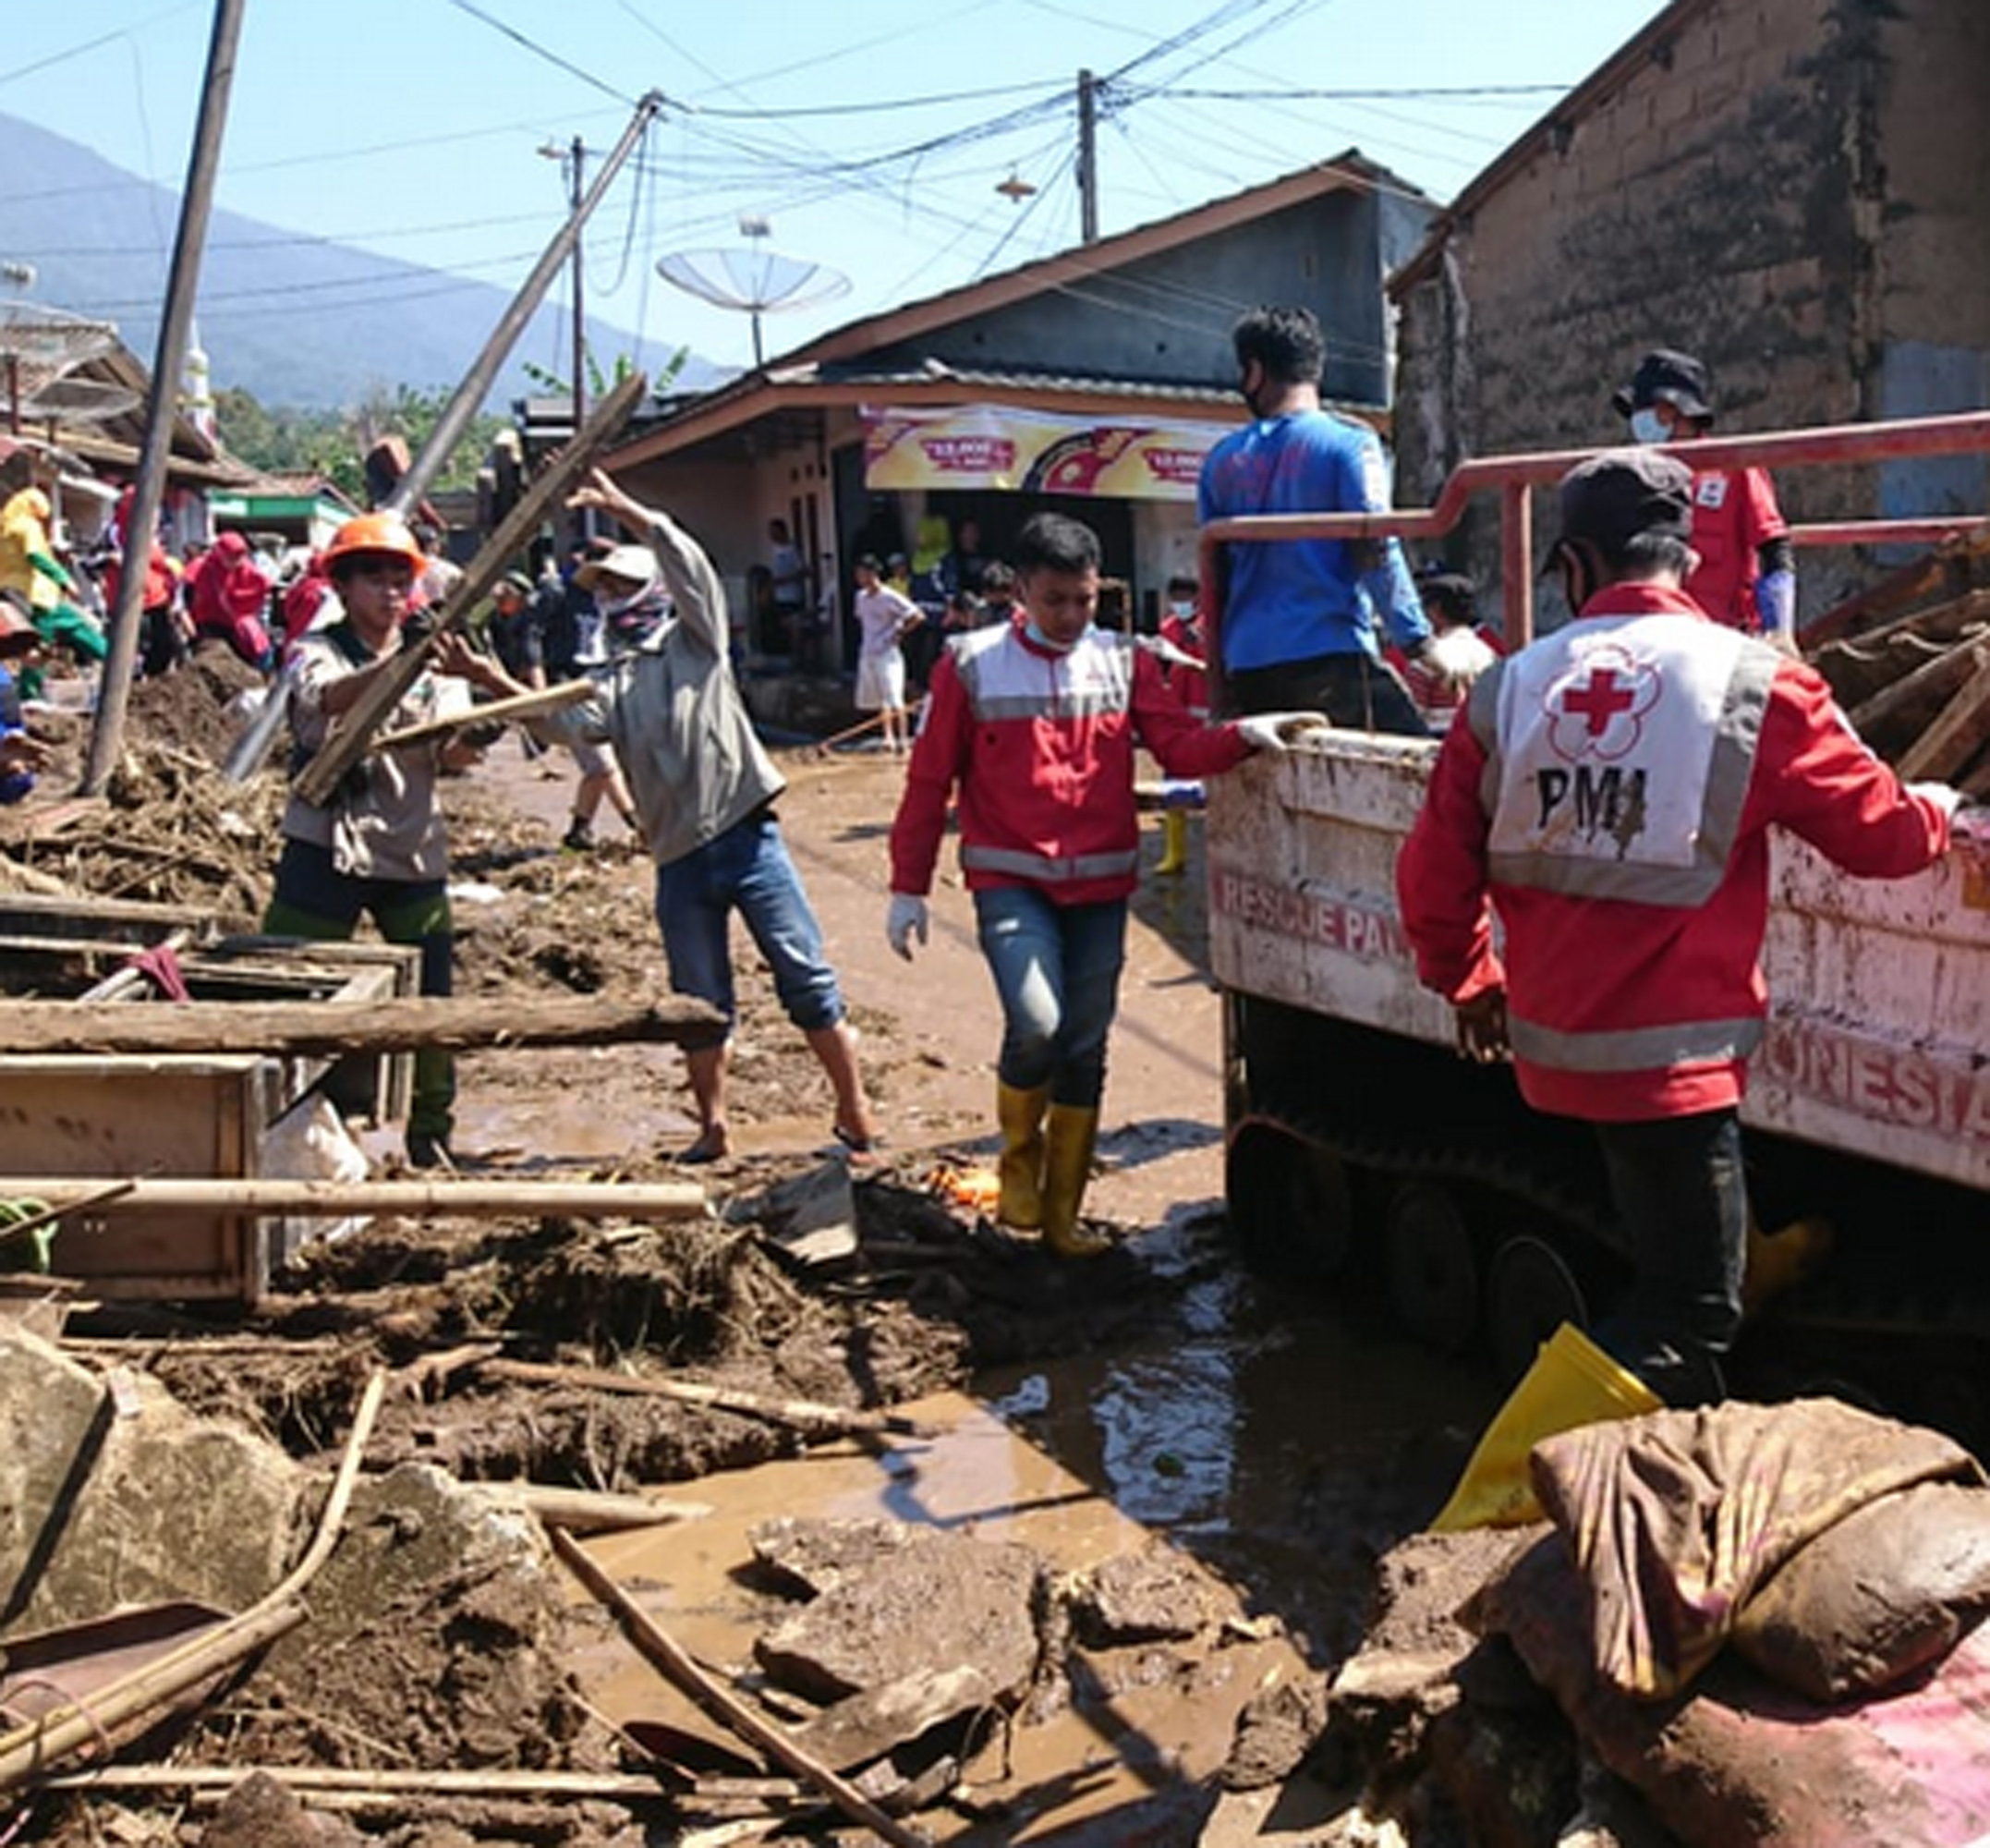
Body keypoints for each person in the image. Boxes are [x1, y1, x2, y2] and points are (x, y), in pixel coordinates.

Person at [1395, 449, 1957, 1404]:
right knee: (1689, 1319)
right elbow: (1885, 840)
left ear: (1572, 565)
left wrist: (1470, 980)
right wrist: (1939, 808)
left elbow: (1432, 874)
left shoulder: (1507, 690)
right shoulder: (1755, 686)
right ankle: (1508, 1491)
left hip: (1550, 1043)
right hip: (1673, 1070)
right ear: (1689, 563)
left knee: (1673, 1265)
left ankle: (1733, 1272)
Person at [885, 511, 1315, 1258]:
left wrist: (1244, 734)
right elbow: (929, 783)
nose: (1073, 616)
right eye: (1056, 601)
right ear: (1020, 591)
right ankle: (1019, 1165)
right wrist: (906, 885)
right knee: (1039, 1024)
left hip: (1103, 884)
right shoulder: (971, 663)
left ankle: (1061, 1216)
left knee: (1085, 1046)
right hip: (1010, 879)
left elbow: (1176, 742)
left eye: (1085, 600)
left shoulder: (1124, 660)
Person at [493, 468, 878, 1167]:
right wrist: (497, 685)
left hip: (745, 835)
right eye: (601, 590)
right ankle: (714, 1126)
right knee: (698, 1001)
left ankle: (854, 1109)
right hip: (675, 855)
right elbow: (566, 727)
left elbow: (689, 561)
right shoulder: (609, 675)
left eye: (617, 585)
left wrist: (631, 512)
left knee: (805, 976)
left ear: (650, 588)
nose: (608, 598)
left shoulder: (695, 641)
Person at [262, 512, 507, 1170]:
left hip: (408, 845)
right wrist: (402, 662)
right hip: (325, 845)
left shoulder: (437, 664)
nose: (391, 591)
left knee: (431, 998)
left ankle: (431, 1130)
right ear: (343, 586)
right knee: (287, 984)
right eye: (375, 577)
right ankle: (281, 1120)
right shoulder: (318, 649)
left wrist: (481, 731)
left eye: (402, 579)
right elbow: (327, 700)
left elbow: (450, 755)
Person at [1198, 304, 1450, 730]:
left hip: (1248, 673)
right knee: (1425, 771)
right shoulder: (1350, 443)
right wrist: (1419, 643)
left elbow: (1214, 581)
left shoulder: (1220, 461)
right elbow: (1375, 547)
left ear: (1255, 372)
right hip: (1329, 661)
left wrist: (1220, 688)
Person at [1614, 347, 1796, 646]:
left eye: (1650, 408)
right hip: (1653, 642)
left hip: (1724, 642)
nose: (1639, 420)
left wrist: (1780, 630)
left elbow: (1774, 548)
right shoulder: (1634, 474)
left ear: (1677, 410)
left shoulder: (1734, 468)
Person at [1151, 573, 1212, 877]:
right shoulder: (1168, 629)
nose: (1180, 604)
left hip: (1208, 712)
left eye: (1186, 597)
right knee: (1174, 783)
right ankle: (1174, 854)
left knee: (1215, 786)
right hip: (1178, 713)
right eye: (1176, 598)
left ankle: (1220, 853)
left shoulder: (1212, 627)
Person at [851, 553, 922, 754]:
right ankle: (888, 737)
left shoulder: (889, 595)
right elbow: (862, 621)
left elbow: (916, 615)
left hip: (887, 653)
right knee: (881, 699)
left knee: (894, 698)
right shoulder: (861, 597)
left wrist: (898, 632)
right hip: (868, 652)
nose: (859, 578)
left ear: (873, 574)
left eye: (863, 573)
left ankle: (903, 740)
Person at [186, 530, 273, 670]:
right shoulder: (202, 567)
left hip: (236, 624)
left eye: (240, 556)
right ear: (220, 553)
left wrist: (240, 605)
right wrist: (188, 622)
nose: (236, 561)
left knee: (248, 655)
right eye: (232, 557)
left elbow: (261, 589)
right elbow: (186, 595)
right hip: (207, 624)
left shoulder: (246, 569)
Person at [767, 517, 807, 658]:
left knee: (794, 628)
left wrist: (784, 580)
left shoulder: (792, 550)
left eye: (774, 531)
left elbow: (804, 571)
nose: (771, 535)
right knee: (782, 627)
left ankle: (798, 659)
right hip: (779, 596)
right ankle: (788, 656)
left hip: (792, 596)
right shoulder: (774, 550)